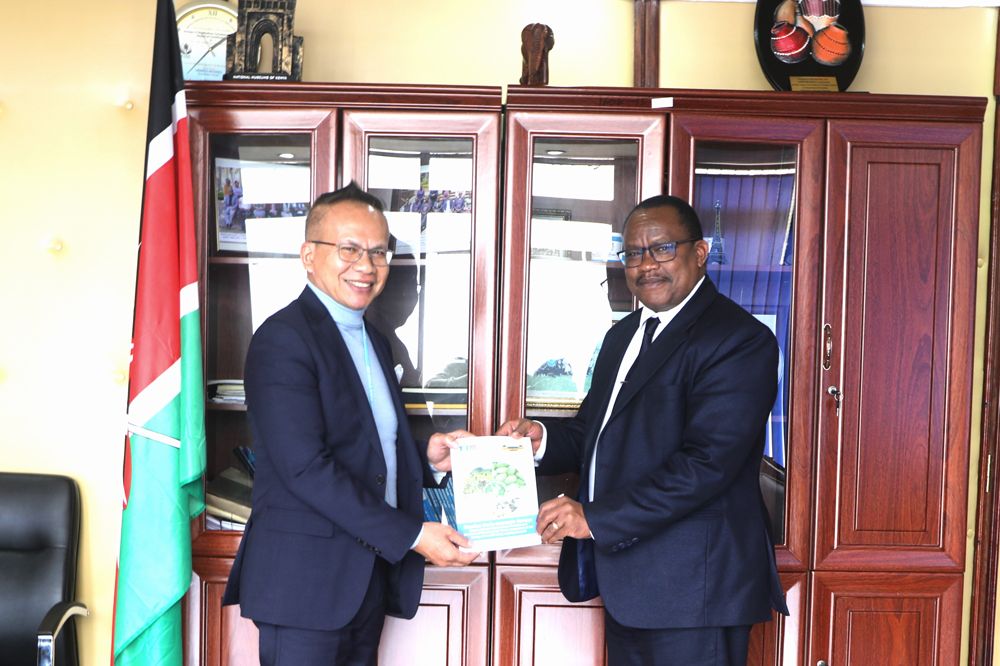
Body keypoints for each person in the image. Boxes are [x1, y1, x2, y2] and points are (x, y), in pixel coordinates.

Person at [497, 194, 787, 666]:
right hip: (628, 583)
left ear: (700, 252)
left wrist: (594, 519)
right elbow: (595, 433)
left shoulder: (739, 340)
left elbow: (705, 466)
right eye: (633, 253)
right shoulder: (622, 336)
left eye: (663, 248)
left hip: (696, 592)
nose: (646, 265)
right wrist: (541, 440)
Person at [222, 182, 479, 666]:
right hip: (304, 587)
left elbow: (364, 444)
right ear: (308, 255)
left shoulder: (374, 340)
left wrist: (426, 456)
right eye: (349, 249)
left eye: (379, 252)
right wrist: (412, 535)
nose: (366, 265)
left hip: (366, 579)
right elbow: (306, 467)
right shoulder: (283, 339)